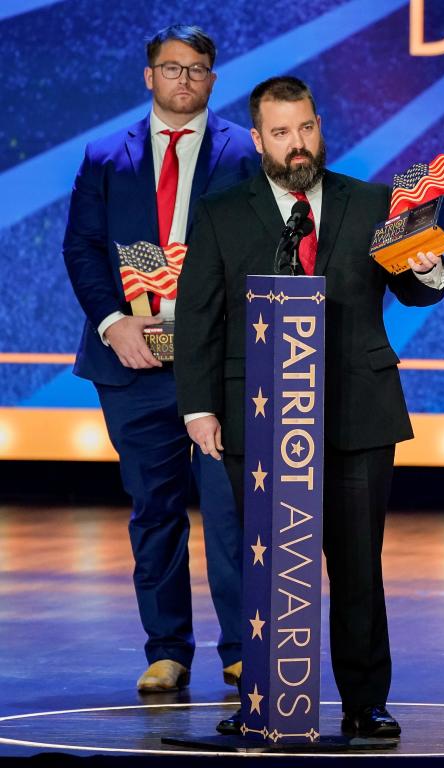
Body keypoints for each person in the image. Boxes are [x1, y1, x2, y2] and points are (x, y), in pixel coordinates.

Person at [174, 76, 444, 737]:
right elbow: (199, 318)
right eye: (280, 133)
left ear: (319, 126)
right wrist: (198, 409)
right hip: (258, 416)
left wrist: (428, 264)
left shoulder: (372, 201)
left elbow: (418, 293)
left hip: (358, 413)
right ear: (257, 138)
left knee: (358, 562)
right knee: (267, 561)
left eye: (306, 129)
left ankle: (365, 702)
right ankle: (262, 699)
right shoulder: (221, 211)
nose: (297, 145)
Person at [62, 24, 260, 693]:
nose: (184, 80)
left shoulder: (244, 152)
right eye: (171, 68)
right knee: (155, 511)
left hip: (220, 363)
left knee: (232, 512)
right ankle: (167, 650)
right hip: (133, 361)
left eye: (197, 69)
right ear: (149, 76)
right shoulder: (103, 156)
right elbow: (82, 248)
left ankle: (242, 649)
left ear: (213, 78)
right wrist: (114, 322)